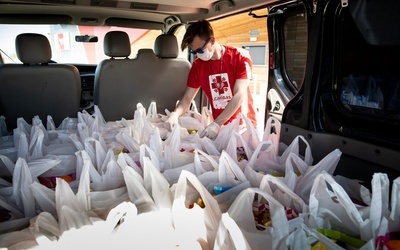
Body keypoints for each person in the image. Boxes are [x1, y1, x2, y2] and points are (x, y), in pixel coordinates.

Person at [165, 19, 257, 140]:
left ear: (212, 40)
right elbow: (187, 98)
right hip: (220, 128)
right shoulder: (198, 66)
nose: (198, 54)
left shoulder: (240, 57)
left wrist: (216, 124)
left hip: (244, 127)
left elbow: (239, 95)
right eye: (194, 51)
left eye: (200, 50)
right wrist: (175, 114)